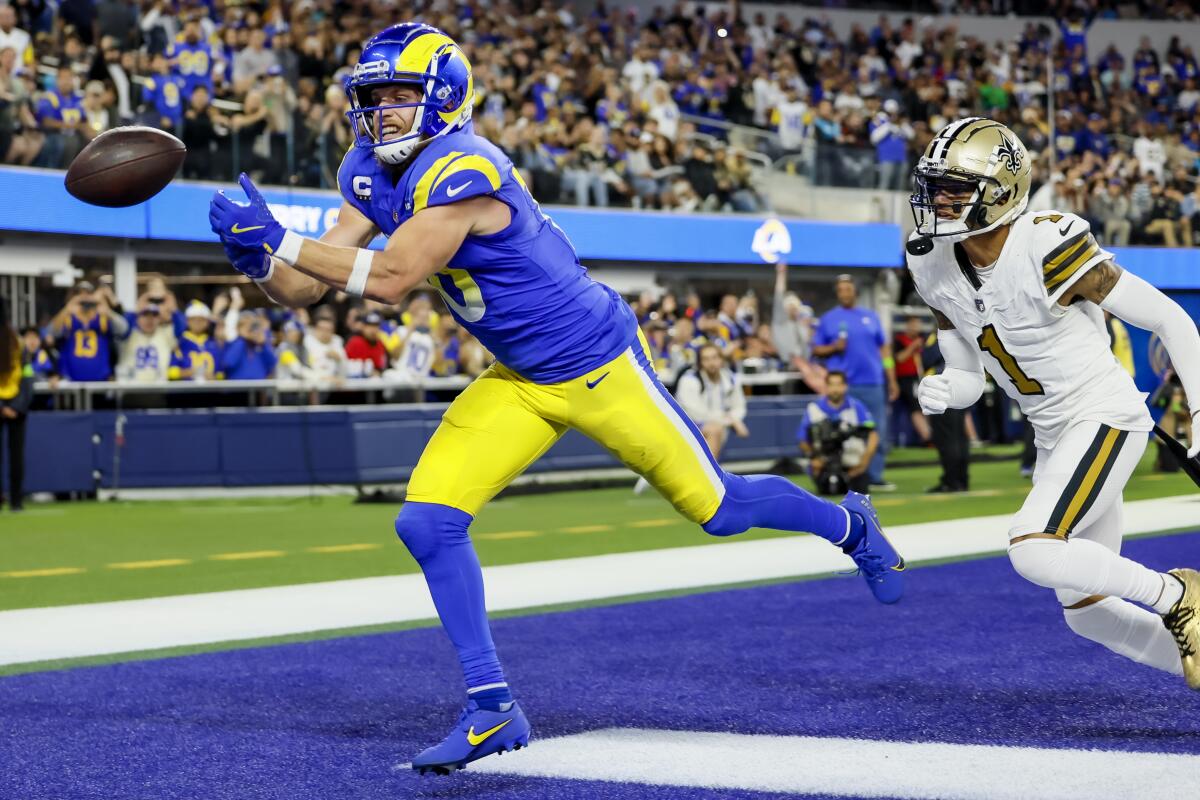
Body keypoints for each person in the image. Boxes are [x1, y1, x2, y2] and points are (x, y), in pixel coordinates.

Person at [207, 22, 905, 775]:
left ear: (443, 97)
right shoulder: (368, 169)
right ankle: (492, 707)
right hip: (519, 378)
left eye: (400, 94)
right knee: (428, 522)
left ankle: (849, 524)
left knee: (720, 509)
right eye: (373, 97)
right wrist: (257, 260)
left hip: (598, 364)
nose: (382, 111)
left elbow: (391, 278)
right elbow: (304, 290)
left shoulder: (464, 166)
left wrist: (281, 238)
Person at [907, 116, 1200, 690]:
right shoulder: (930, 261)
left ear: (1001, 193)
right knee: (1086, 612)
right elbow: (968, 373)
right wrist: (946, 386)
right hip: (1053, 435)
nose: (938, 201)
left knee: (1033, 549)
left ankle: (1178, 593)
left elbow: (1171, 319)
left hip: (1103, 414)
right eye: (934, 187)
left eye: (955, 189)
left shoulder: (1045, 243)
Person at [811, 275, 899, 490]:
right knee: (841, 432)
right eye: (841, 290)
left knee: (876, 430)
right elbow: (816, 350)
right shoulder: (828, 319)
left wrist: (891, 378)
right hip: (843, 386)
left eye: (848, 289)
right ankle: (843, 476)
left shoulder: (871, 317)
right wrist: (833, 347)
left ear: (855, 292)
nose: (845, 293)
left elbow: (884, 350)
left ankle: (875, 477)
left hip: (873, 382)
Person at [798, 370, 878, 495]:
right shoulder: (814, 408)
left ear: (845, 386)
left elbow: (873, 435)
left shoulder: (856, 406)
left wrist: (864, 462)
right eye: (832, 384)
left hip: (852, 463)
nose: (835, 389)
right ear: (826, 386)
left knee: (859, 494)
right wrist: (813, 458)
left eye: (839, 384)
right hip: (824, 464)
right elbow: (802, 440)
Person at [920, 328, 969, 493]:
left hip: (942, 387)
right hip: (961, 387)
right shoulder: (964, 332)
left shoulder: (939, 335)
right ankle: (962, 479)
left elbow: (928, 358)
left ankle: (951, 481)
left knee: (946, 437)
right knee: (959, 435)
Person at [0, 300, 31, 511]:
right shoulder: (18, 341)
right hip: (16, 405)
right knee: (16, 455)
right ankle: (16, 501)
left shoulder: (17, 342)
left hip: (9, 405)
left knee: (15, 456)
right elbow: (28, 378)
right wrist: (17, 406)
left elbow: (27, 375)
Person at [893, 315, 931, 446]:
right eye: (914, 324)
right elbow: (900, 358)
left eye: (918, 325)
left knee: (924, 407)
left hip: (920, 377)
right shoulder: (899, 340)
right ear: (908, 325)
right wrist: (913, 346)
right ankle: (927, 438)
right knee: (916, 408)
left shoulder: (923, 340)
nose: (916, 328)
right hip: (906, 379)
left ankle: (930, 435)